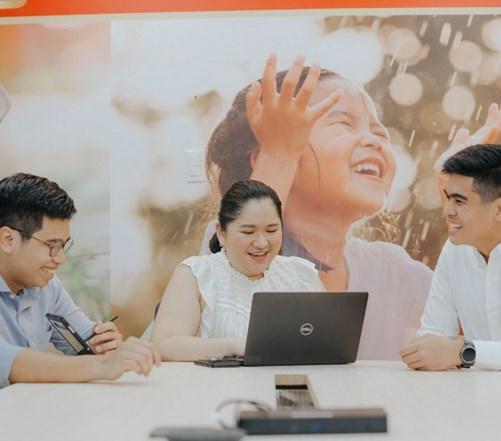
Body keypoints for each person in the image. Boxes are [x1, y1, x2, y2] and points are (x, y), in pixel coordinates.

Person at [204, 54, 501, 360]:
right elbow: (226, 292)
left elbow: (480, 335)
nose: (374, 141)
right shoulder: (225, 244)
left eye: (379, 132)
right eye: (343, 123)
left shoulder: (392, 271)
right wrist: (278, 156)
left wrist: (470, 202)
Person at [0, 173, 160, 388]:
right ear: (8, 239)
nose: (59, 259)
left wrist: (102, 345)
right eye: (51, 246)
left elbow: (84, 342)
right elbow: (7, 361)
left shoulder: (46, 286)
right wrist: (103, 365)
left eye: (63, 246)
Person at [151, 180, 325, 361]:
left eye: (271, 230)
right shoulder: (195, 274)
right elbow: (164, 346)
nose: (261, 243)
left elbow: (332, 339)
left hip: (287, 385)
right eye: (248, 232)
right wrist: (236, 345)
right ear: (221, 233)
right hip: (213, 387)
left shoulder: (301, 274)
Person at [400, 144, 501, 371]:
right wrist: (425, 353)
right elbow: (434, 335)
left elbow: (451, 351)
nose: (447, 211)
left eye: (459, 201)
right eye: (447, 199)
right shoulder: (455, 250)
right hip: (477, 400)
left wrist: (462, 352)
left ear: (499, 210)